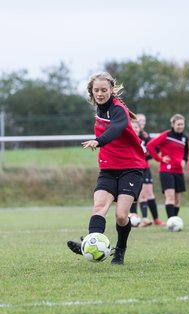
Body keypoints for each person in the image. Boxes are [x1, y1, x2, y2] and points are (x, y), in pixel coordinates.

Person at [67, 72, 145, 264]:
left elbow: (116, 128)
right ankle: (90, 243)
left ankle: (120, 250)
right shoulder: (99, 110)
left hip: (131, 168)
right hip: (108, 169)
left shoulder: (118, 110)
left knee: (121, 216)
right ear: (91, 92)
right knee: (99, 207)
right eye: (96, 90)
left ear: (111, 90)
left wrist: (98, 141)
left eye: (104, 90)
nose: (100, 93)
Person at [147, 114, 189, 219]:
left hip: (179, 171)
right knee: (170, 197)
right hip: (166, 171)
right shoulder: (166, 135)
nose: (180, 126)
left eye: (182, 124)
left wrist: (185, 160)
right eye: (178, 124)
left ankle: (174, 220)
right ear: (173, 124)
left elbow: (186, 151)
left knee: (177, 200)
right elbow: (150, 145)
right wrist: (159, 159)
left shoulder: (184, 137)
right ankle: (171, 221)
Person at [130, 115, 165, 227]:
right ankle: (134, 216)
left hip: (145, 168)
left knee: (149, 193)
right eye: (136, 124)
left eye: (141, 123)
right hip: (132, 169)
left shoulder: (145, 137)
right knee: (135, 193)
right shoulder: (127, 137)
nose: (139, 125)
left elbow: (155, 148)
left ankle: (154, 219)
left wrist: (145, 157)